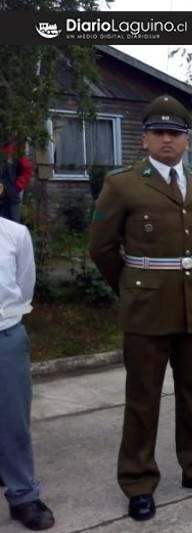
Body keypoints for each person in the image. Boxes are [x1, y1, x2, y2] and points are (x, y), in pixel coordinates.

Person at [88, 95, 192, 522]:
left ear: (187, 141)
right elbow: (101, 248)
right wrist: (133, 286)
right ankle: (137, 481)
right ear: (145, 139)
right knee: (142, 399)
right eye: (159, 133)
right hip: (147, 308)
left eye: (175, 133)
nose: (167, 139)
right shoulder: (123, 184)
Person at [0, 215, 55, 531]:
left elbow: (24, 287)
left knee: (12, 421)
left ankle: (23, 495)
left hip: (5, 334)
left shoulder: (15, 234)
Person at [0, 143, 32, 223]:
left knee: (14, 227)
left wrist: (17, 186)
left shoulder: (14, 151)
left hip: (12, 199)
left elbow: (27, 169)